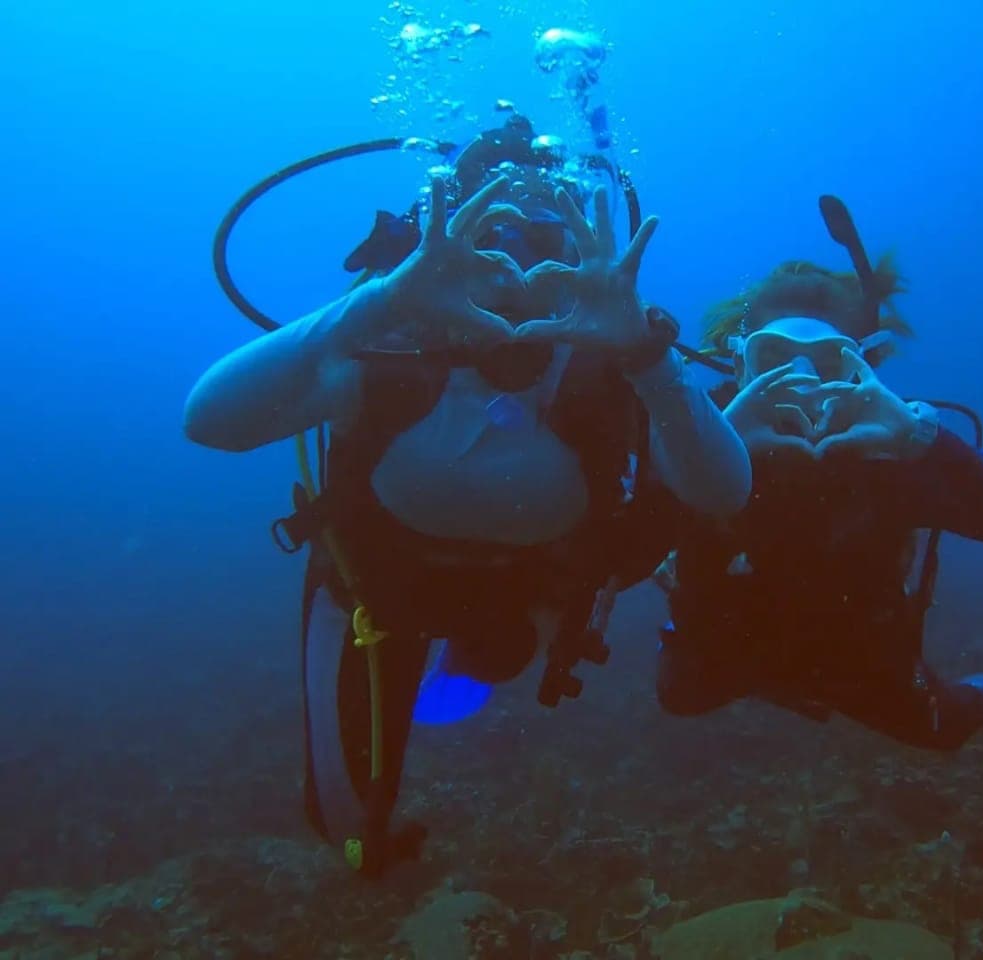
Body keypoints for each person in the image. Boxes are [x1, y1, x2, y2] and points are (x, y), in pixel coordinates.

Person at [184, 114, 752, 876]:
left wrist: (647, 357)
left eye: (543, 222)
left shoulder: (612, 363)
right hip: (374, 596)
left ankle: (468, 668)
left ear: (580, 241)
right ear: (439, 230)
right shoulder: (384, 355)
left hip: (532, 592)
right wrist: (377, 303)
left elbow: (723, 493)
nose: (514, 241)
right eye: (489, 219)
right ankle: (445, 683)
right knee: (348, 829)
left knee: (495, 658)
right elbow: (211, 422)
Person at [652, 194, 983, 807]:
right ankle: (778, 677)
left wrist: (925, 440)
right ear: (737, 364)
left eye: (828, 362)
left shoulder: (892, 459)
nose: (801, 384)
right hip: (732, 640)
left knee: (939, 729)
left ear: (863, 369)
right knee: (679, 696)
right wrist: (706, 453)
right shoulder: (694, 442)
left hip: (858, 653)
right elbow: (614, 537)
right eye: (774, 360)